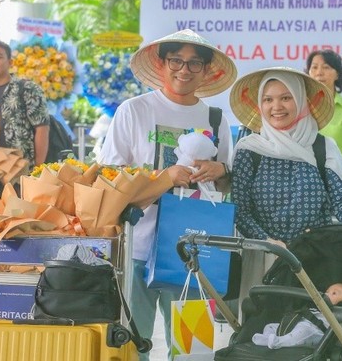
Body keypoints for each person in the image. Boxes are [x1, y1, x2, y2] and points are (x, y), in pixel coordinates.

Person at [98, 29, 237, 361]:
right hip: (136, 247)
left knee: (193, 351)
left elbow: (229, 183)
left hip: (193, 255)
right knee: (131, 347)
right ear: (161, 64)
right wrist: (165, 178)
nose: (184, 70)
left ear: (206, 70)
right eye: (176, 60)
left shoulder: (216, 120)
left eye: (194, 63)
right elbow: (108, 179)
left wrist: (220, 172)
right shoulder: (133, 111)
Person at [230, 67, 342, 248]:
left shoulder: (323, 148)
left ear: (301, 100)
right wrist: (267, 242)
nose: (276, 106)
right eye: (268, 100)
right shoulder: (249, 150)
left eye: (286, 98)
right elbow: (240, 212)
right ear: (260, 104)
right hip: (262, 260)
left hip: (318, 259)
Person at [0, 39, 49, 165]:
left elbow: (42, 128)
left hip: (21, 169)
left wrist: (38, 167)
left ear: (10, 62)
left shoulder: (27, 89)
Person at [306, 49, 342, 170]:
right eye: (314, 67)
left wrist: (339, 174)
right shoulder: (299, 107)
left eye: (326, 67)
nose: (319, 72)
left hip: (340, 181)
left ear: (337, 74)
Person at [252, 282, 342, 350]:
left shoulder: (338, 317)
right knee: (269, 326)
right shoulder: (314, 308)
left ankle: (277, 342)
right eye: (327, 291)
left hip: (315, 332)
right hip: (296, 323)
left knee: (302, 332)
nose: (326, 294)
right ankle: (267, 338)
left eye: (334, 293)